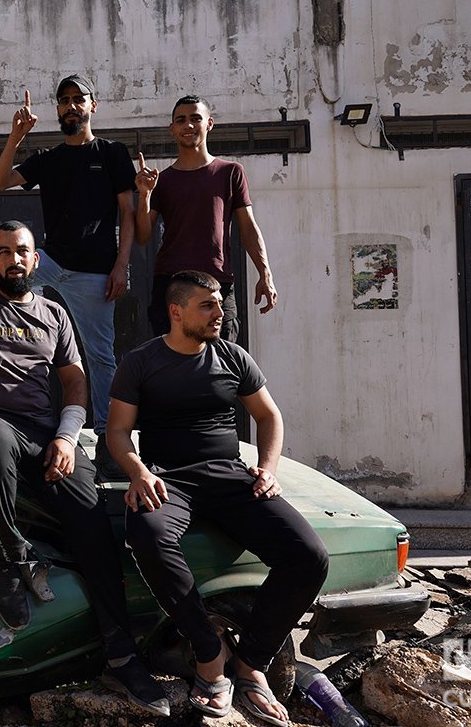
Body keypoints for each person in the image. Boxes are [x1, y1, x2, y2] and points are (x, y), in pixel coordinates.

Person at [0, 218, 170, 717]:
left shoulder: (54, 314)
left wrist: (67, 438)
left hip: (44, 432)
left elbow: (76, 386)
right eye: (3, 252)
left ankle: (121, 654)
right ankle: (7, 561)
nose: (14, 260)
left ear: (35, 259)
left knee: (92, 520)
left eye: (21, 251)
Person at [106, 270, 329, 725]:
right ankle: (209, 655)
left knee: (308, 555)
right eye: (206, 306)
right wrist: (139, 472)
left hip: (230, 477)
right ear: (176, 311)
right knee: (145, 531)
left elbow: (270, 417)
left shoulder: (233, 357)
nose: (218, 313)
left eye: (219, 305)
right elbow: (117, 432)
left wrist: (267, 469)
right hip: (169, 479)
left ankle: (251, 665)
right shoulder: (141, 362)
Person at [0, 76, 136, 475]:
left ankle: (108, 438)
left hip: (95, 271)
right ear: (58, 110)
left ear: (92, 106)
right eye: (64, 101)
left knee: (99, 357)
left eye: (78, 99)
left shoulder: (112, 153)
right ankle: (1, 349)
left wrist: (121, 265)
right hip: (51, 261)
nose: (71, 107)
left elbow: (129, 215)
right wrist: (16, 135)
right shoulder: (49, 158)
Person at [134, 95, 277, 342]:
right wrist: (145, 195)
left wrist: (265, 274)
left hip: (217, 283)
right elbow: (143, 236)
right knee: (173, 369)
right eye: (181, 120)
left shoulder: (230, 172)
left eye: (195, 119)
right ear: (172, 129)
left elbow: (249, 228)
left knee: (221, 366)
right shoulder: (162, 181)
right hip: (172, 285)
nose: (188, 125)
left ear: (209, 123)